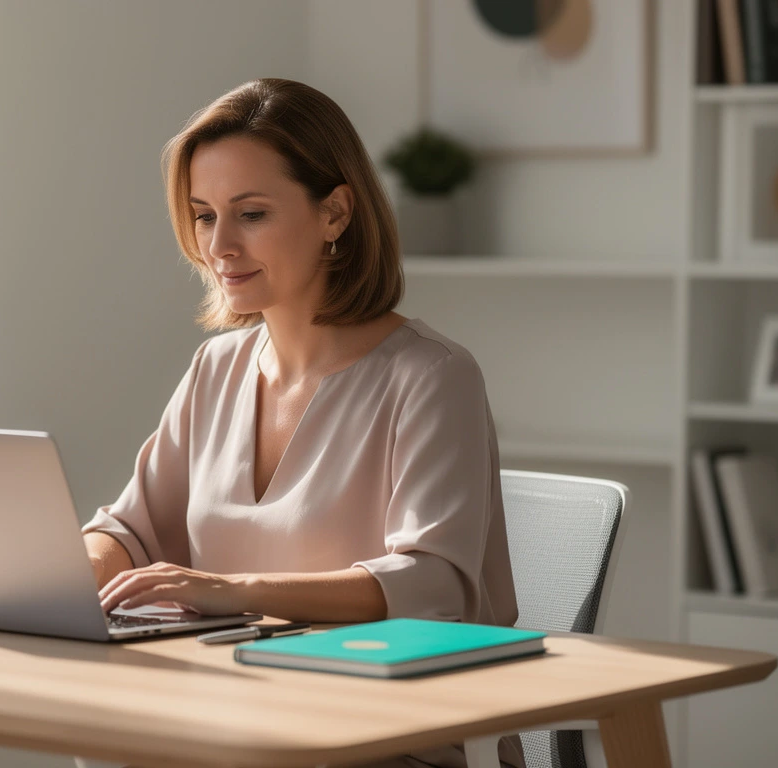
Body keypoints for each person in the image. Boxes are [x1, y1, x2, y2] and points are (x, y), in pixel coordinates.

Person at [77, 79, 524, 768]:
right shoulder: (215, 369)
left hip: (377, 742)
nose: (219, 245)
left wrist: (232, 592)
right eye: (203, 215)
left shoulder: (432, 377)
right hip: (230, 721)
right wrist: (55, 580)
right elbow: (128, 531)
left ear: (336, 213)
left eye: (251, 213)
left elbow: (434, 586)